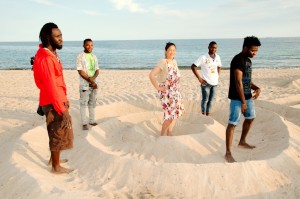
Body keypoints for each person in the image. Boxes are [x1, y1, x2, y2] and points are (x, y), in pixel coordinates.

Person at [33, 22, 73, 174]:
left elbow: (58, 81)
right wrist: (63, 110)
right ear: (48, 38)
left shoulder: (52, 53)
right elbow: (50, 86)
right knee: (56, 131)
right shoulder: (46, 58)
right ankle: (56, 167)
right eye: (57, 36)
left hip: (56, 99)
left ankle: (53, 160)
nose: (61, 39)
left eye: (61, 35)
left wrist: (64, 98)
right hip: (51, 101)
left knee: (58, 130)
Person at [225, 36, 261, 163]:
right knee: (233, 123)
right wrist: (243, 102)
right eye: (252, 50)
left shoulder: (248, 61)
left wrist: (257, 88)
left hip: (247, 96)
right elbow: (238, 81)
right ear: (245, 48)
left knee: (250, 118)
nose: (254, 53)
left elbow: (247, 80)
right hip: (237, 97)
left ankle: (242, 141)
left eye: (256, 51)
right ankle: (228, 153)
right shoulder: (238, 60)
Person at [149, 42, 185, 136]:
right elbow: (151, 75)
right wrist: (158, 87)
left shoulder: (174, 62)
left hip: (176, 92)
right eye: (170, 50)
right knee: (169, 116)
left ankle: (169, 132)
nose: (172, 52)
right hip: (167, 93)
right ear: (165, 51)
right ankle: (162, 134)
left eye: (174, 50)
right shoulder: (163, 62)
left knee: (175, 114)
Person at [191, 41, 222, 116]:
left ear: (216, 48)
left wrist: (218, 75)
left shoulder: (217, 57)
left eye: (215, 48)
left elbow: (219, 66)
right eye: (211, 47)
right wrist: (199, 78)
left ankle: (207, 115)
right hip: (206, 83)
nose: (213, 49)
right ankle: (203, 115)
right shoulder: (203, 57)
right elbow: (193, 66)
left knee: (211, 100)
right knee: (205, 100)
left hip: (215, 83)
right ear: (208, 47)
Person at [76, 39, 100, 130]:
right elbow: (80, 71)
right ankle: (84, 123)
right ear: (83, 46)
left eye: (91, 45)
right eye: (87, 45)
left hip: (94, 83)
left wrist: (93, 80)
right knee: (83, 103)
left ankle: (92, 121)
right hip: (84, 84)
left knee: (92, 103)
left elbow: (97, 70)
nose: (90, 47)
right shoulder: (80, 56)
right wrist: (91, 81)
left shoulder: (94, 56)